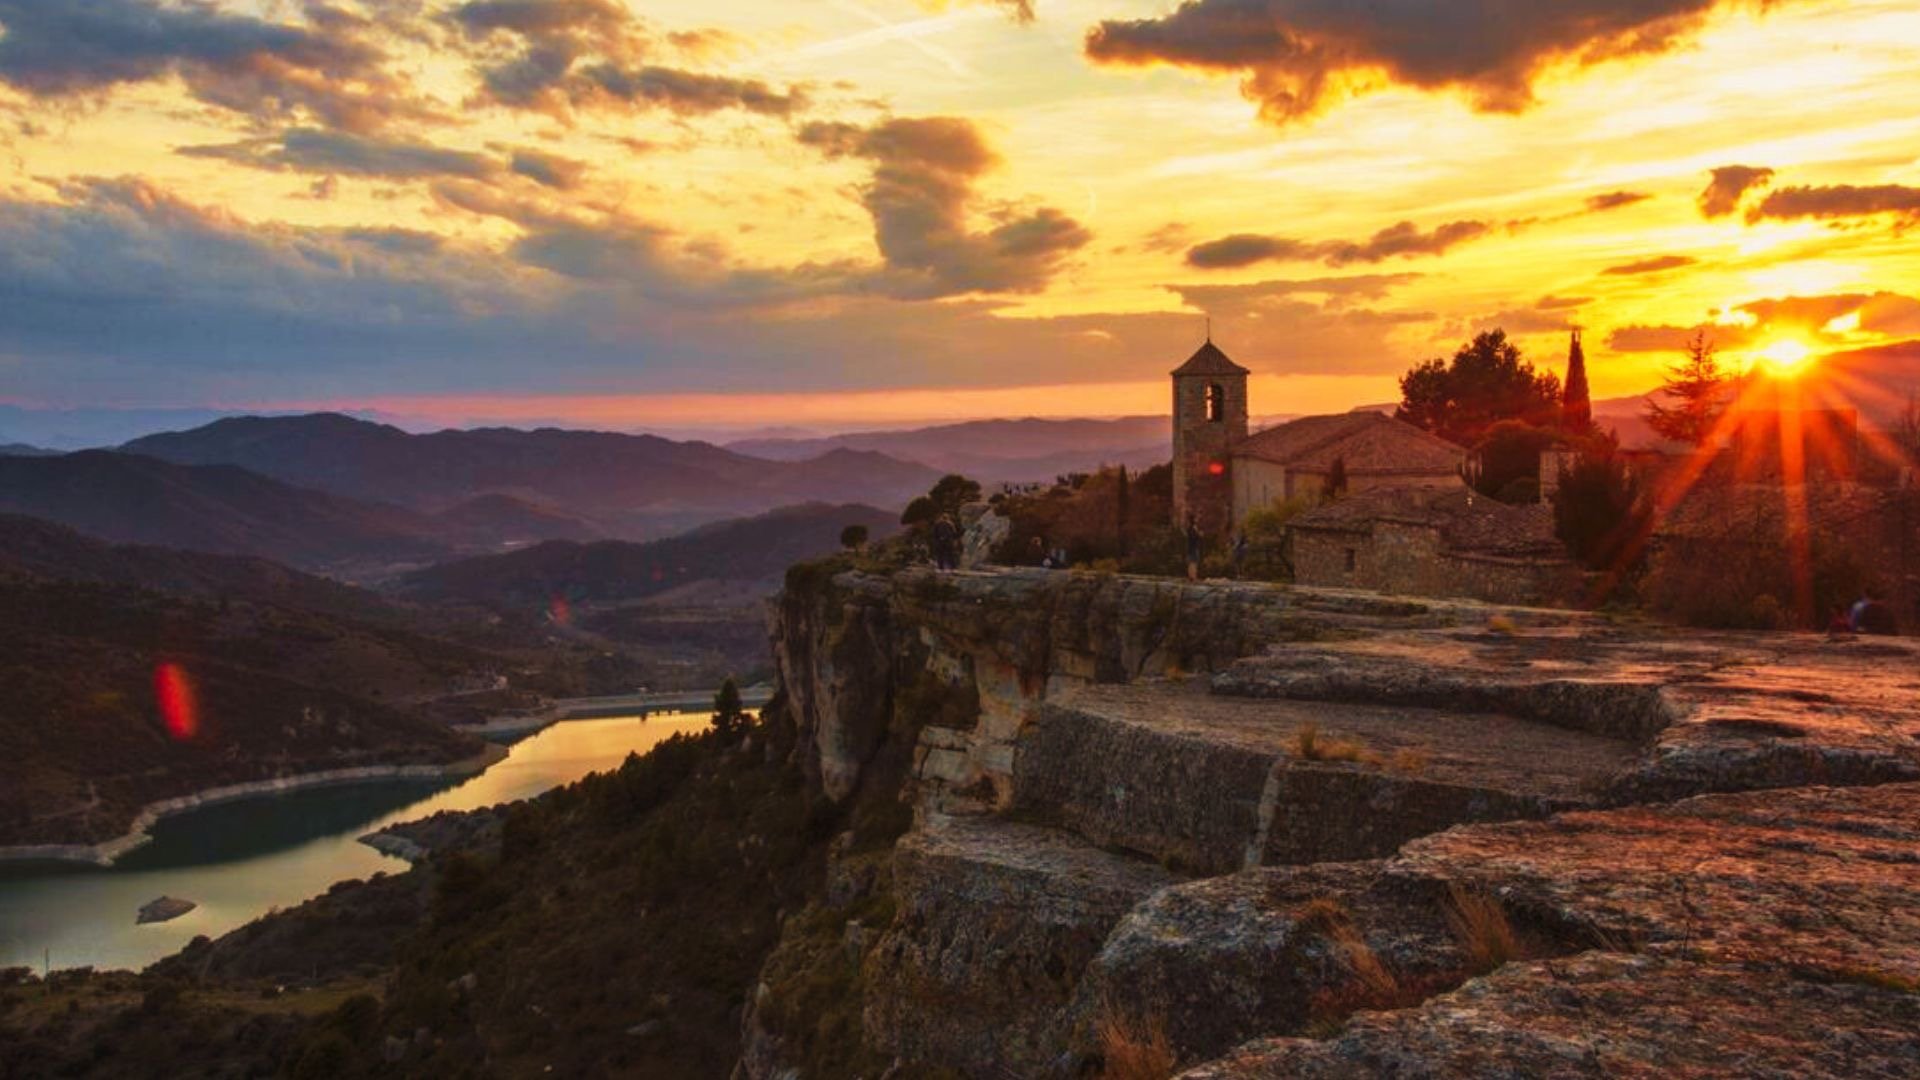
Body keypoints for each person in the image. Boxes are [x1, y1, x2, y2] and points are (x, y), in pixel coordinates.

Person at [1185, 514, 1203, 582]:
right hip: (1192, 547)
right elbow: (1193, 537)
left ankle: (1192, 576)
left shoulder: (1193, 528)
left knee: (1193, 562)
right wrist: (1199, 535)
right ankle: (1192, 577)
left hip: (1193, 547)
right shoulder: (1191, 528)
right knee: (1193, 562)